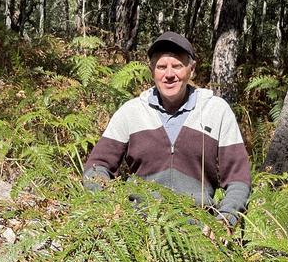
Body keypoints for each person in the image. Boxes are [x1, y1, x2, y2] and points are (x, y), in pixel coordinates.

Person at [83, 31, 251, 227]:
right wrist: (111, 208)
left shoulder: (216, 110)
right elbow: (96, 167)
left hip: (199, 231)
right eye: (161, 67)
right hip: (138, 228)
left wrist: (225, 221)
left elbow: (239, 179)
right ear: (152, 70)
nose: (169, 75)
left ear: (191, 69)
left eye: (178, 66)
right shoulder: (131, 112)